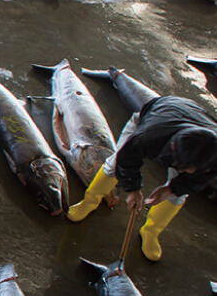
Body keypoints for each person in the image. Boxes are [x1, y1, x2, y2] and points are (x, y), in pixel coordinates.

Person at [66, 95, 217, 261]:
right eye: (186, 167)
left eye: (195, 168)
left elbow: (200, 178)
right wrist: (133, 190)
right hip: (155, 118)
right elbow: (127, 160)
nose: (189, 171)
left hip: (191, 121)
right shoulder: (149, 135)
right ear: (173, 148)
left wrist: (172, 188)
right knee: (113, 165)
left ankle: (150, 231)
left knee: (179, 195)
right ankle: (89, 201)